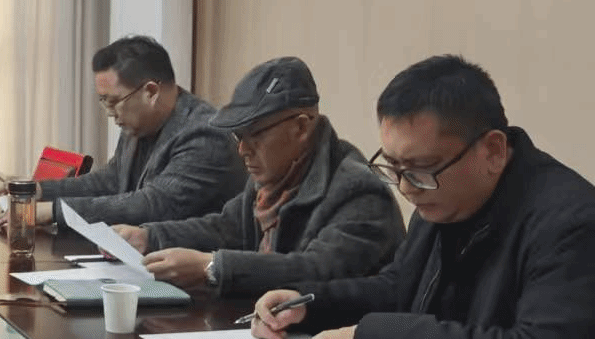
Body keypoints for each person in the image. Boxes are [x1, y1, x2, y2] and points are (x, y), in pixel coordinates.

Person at [250, 55, 595, 339]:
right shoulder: (444, 201)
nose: (405, 188)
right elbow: (399, 287)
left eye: (420, 169)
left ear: (493, 151)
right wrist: (309, 305)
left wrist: (380, 338)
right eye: (394, 167)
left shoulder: (572, 226)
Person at [116, 56, 403, 294]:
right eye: (238, 136)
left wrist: (213, 267)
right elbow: (226, 227)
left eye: (254, 135)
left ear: (301, 127)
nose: (242, 149)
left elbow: (316, 270)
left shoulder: (359, 191)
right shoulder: (276, 176)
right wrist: (149, 236)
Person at [12, 35, 244, 229]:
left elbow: (155, 205)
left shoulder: (203, 134)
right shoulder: (140, 124)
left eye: (114, 102)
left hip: (189, 262)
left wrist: (55, 211)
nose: (110, 113)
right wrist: (38, 190)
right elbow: (111, 180)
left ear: (150, 92)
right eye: (104, 102)